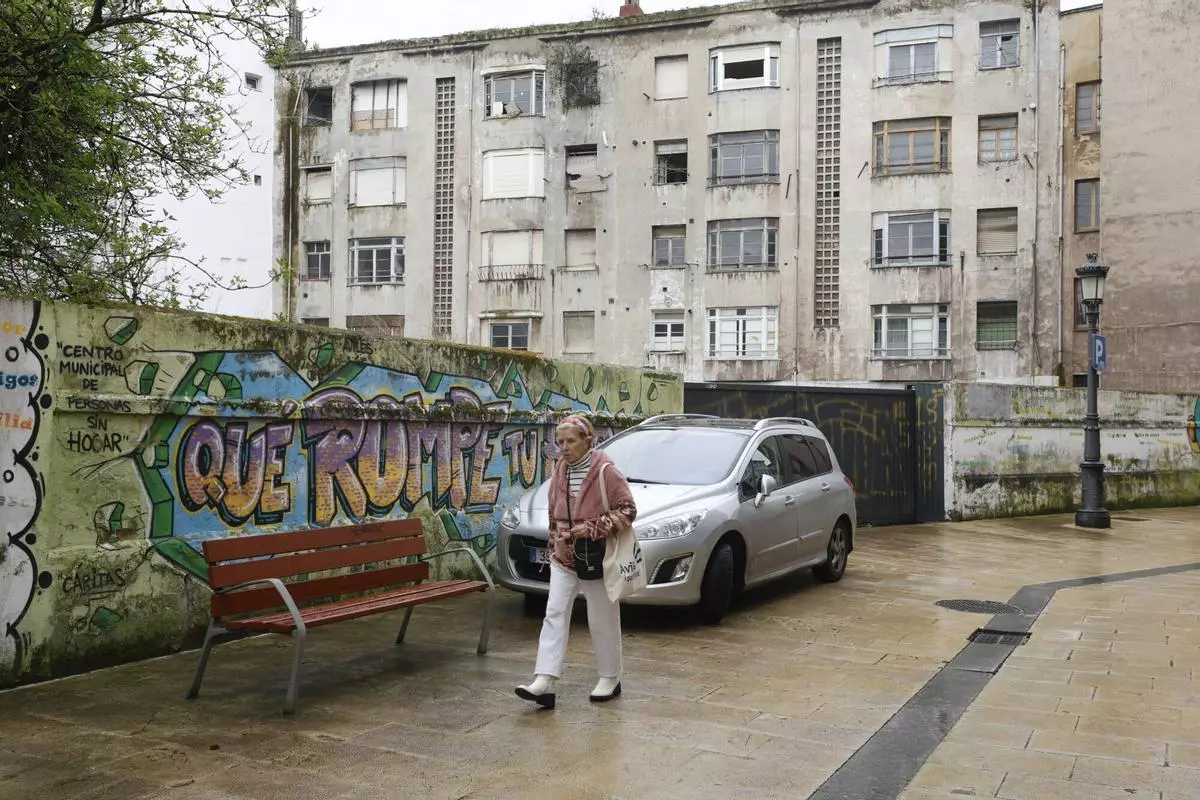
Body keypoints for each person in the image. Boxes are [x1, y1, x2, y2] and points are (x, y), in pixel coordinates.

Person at [515, 414, 637, 709]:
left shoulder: (606, 471)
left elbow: (628, 510)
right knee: (554, 613)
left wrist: (592, 528)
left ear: (587, 440)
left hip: (596, 556)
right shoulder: (560, 469)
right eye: (560, 442)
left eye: (570, 441)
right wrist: (554, 542)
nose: (564, 447)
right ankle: (544, 680)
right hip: (563, 556)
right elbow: (553, 512)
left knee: (601, 618)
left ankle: (610, 677)